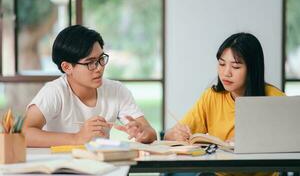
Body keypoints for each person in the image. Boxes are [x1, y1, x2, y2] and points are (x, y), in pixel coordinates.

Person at [164, 33, 284, 176]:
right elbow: (172, 135)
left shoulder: (275, 98)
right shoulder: (211, 97)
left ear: (252, 69)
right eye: (221, 64)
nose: (226, 73)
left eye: (236, 66)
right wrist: (172, 134)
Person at [23, 25, 157, 147]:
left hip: (101, 168)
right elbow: (24, 133)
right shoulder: (55, 92)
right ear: (67, 67)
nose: (99, 68)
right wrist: (76, 138)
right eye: (90, 63)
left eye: (101, 59)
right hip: (61, 168)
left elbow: (150, 132)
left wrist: (142, 133)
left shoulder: (116, 90)